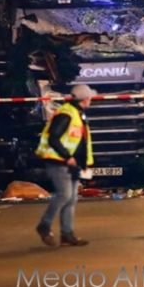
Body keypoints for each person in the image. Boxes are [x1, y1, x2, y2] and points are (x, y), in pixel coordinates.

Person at [35, 84, 96, 247]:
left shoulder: (77, 113)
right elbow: (53, 138)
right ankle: (44, 225)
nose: (91, 100)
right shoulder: (67, 114)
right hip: (59, 161)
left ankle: (67, 234)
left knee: (72, 198)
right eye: (90, 97)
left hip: (73, 163)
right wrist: (67, 156)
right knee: (64, 195)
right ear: (85, 99)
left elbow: (80, 142)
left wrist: (83, 164)